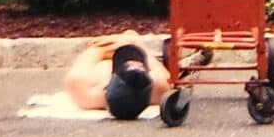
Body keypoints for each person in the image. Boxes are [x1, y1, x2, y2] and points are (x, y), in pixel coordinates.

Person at [63, 30, 209, 120]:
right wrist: (137, 45)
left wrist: (116, 43)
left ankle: (181, 67)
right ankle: (182, 67)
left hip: (104, 61)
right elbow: (158, 70)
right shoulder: (158, 87)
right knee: (134, 39)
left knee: (129, 37)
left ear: (107, 87)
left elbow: (94, 49)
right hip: (143, 64)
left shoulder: (80, 86)